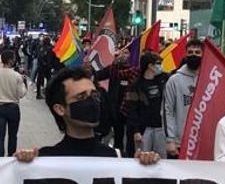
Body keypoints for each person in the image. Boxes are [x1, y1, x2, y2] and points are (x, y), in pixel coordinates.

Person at [14, 67, 160, 164]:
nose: (92, 102)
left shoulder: (120, 159)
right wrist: (22, 165)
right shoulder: (43, 159)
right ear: (60, 109)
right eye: (81, 97)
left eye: (94, 95)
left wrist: (148, 167)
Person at [162, 40, 203, 158]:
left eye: (197, 52)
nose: (193, 55)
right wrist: (170, 140)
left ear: (203, 55)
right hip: (179, 143)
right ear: (185, 54)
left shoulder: (210, 79)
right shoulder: (174, 80)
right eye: (190, 52)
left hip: (202, 142)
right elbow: (167, 111)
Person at [129, 52, 171, 157]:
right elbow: (132, 109)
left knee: (162, 160)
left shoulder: (164, 79)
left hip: (161, 129)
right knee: (142, 158)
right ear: (150, 65)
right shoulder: (135, 86)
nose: (160, 66)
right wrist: (136, 131)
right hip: (144, 130)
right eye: (158, 63)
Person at [0, 50, 27, 157]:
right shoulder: (17, 76)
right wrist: (24, 83)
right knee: (12, 135)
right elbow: (21, 94)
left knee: (0, 135)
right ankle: (10, 157)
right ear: (10, 60)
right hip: (13, 108)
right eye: (13, 58)